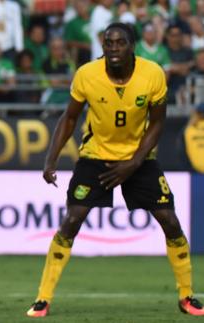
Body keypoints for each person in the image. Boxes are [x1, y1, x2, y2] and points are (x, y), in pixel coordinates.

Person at [26, 22, 204, 317]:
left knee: (170, 222)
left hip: (139, 159)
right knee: (71, 220)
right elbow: (69, 118)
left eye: (120, 43)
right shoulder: (87, 74)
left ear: (132, 45)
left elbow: (158, 122)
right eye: (108, 43)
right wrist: (51, 159)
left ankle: (186, 297)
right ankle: (43, 299)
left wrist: (133, 163)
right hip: (95, 157)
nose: (113, 49)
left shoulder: (153, 74)